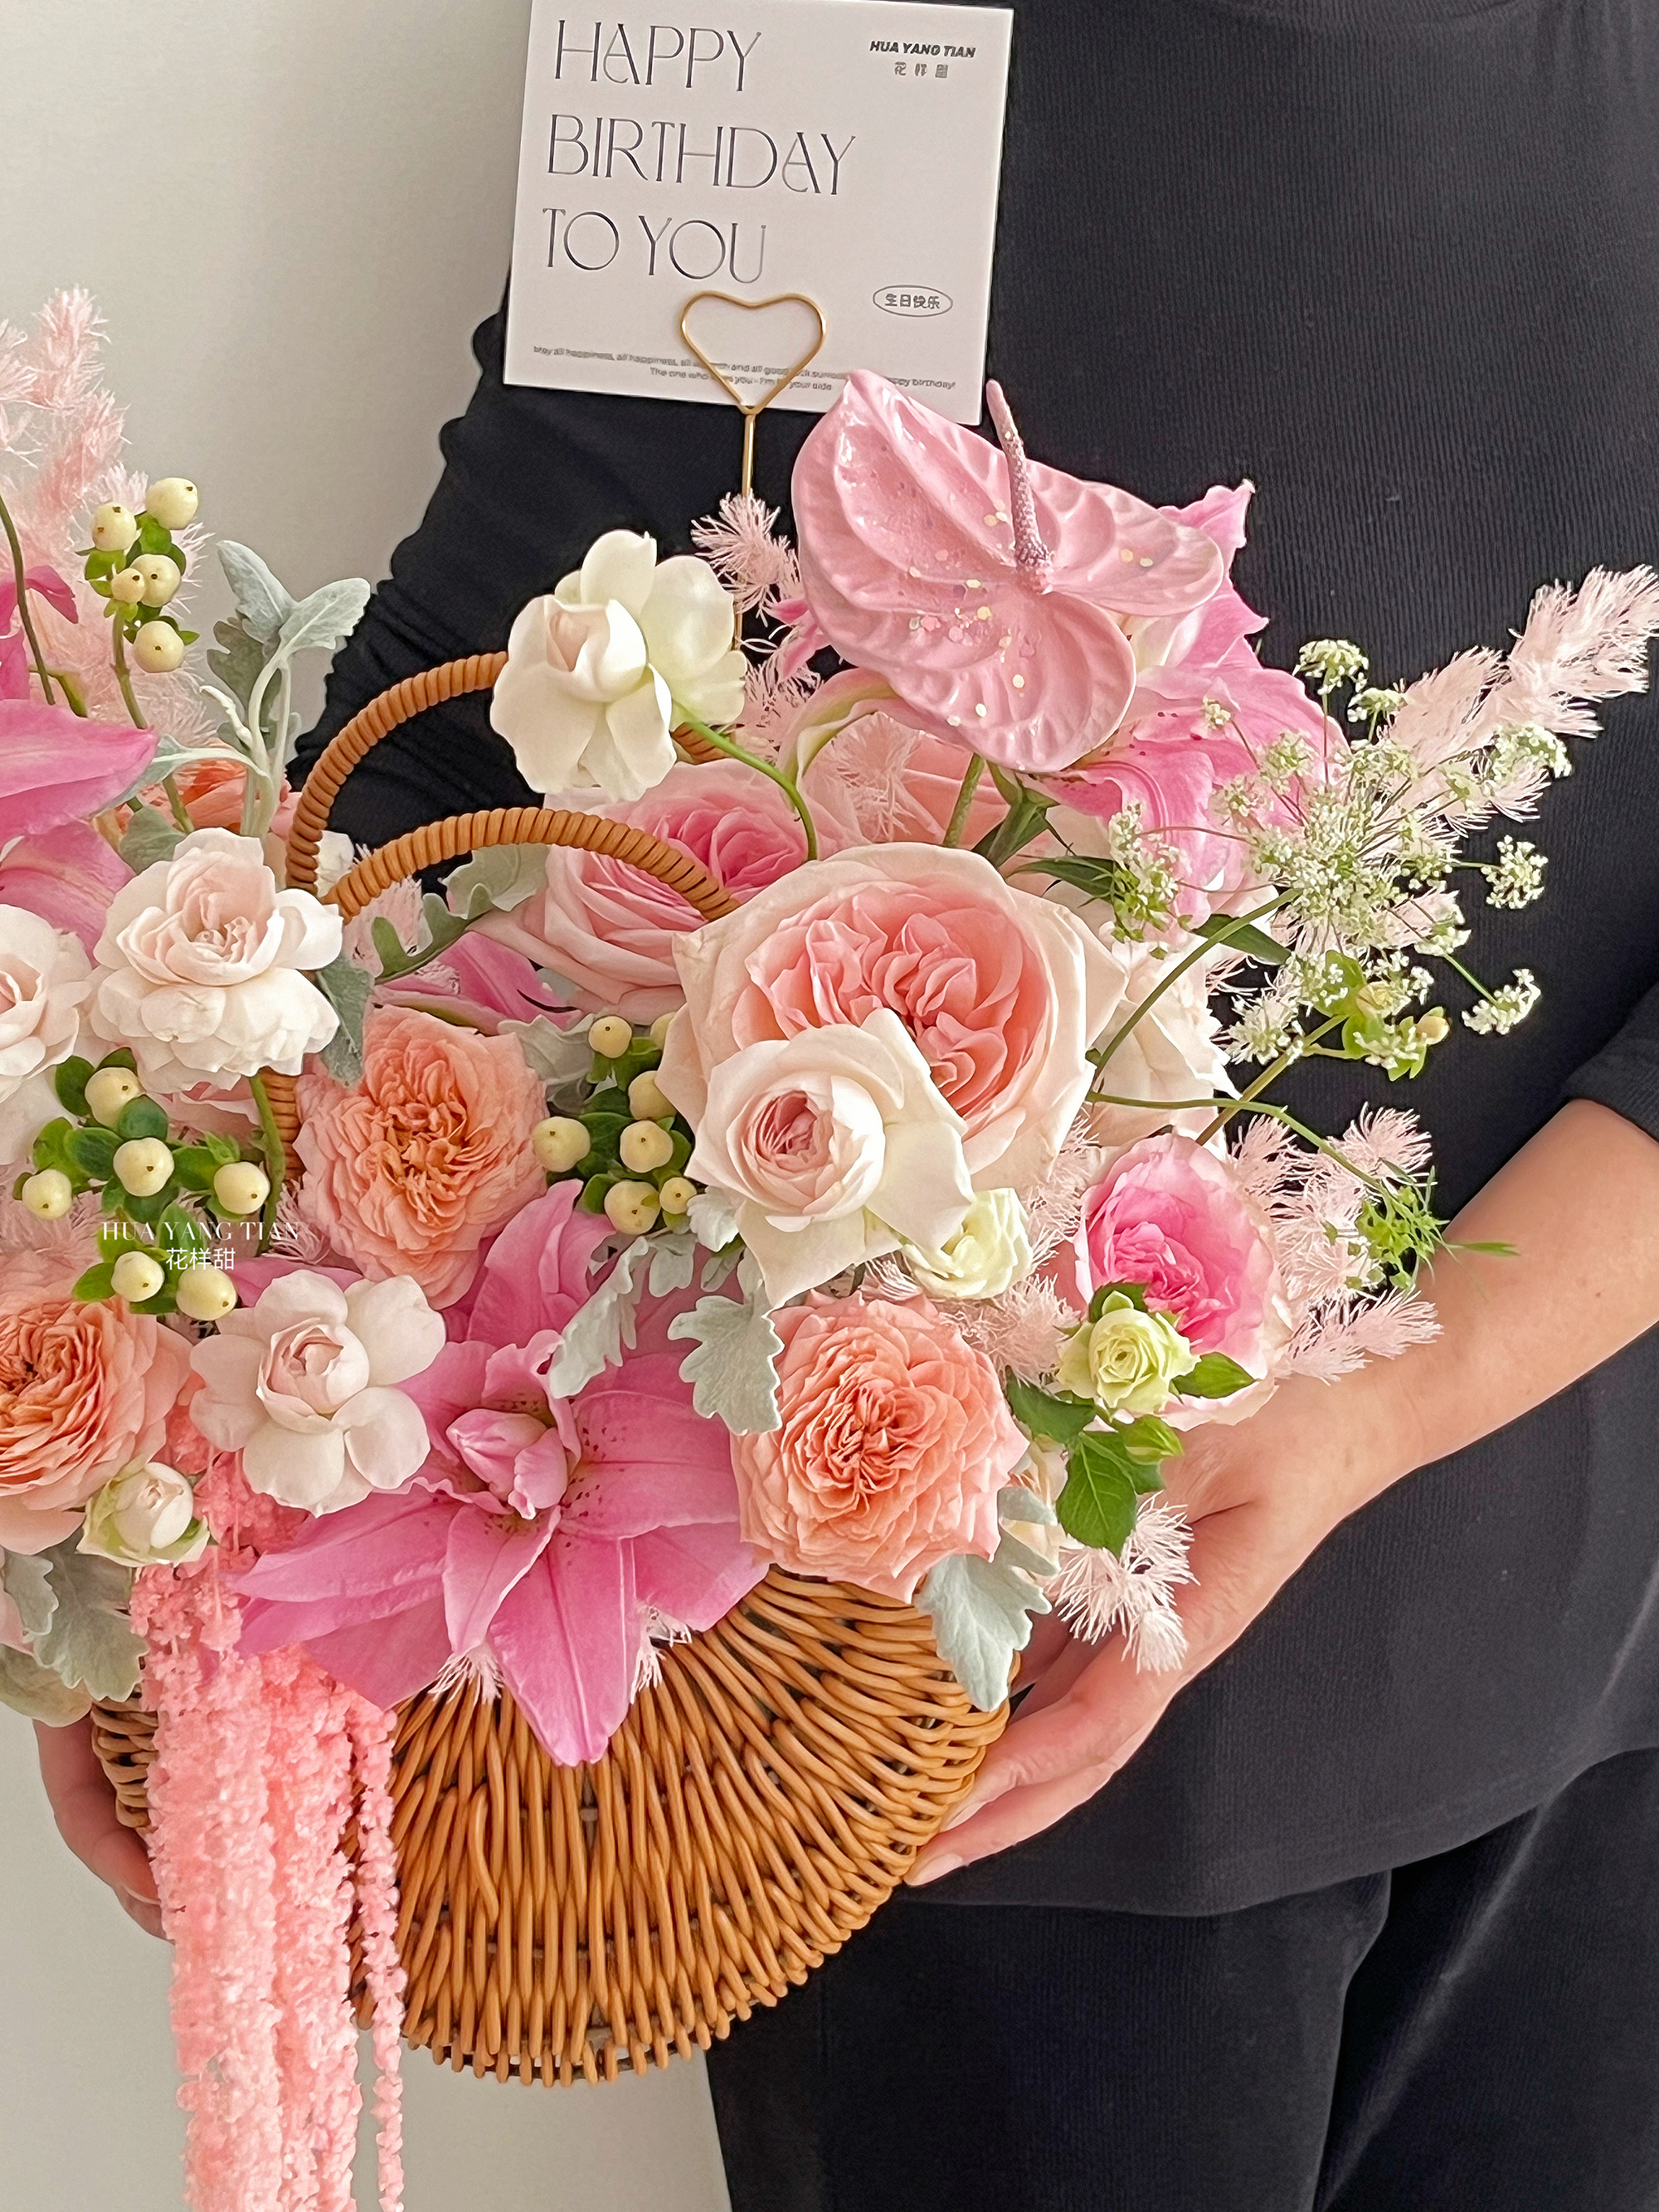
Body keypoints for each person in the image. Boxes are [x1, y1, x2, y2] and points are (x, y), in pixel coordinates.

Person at [37, 0, 1659, 2203]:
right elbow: (454, 736)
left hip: (1577, 1670)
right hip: (950, 1739)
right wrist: (165, 1505)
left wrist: (1389, 1407)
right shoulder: (819, 29)